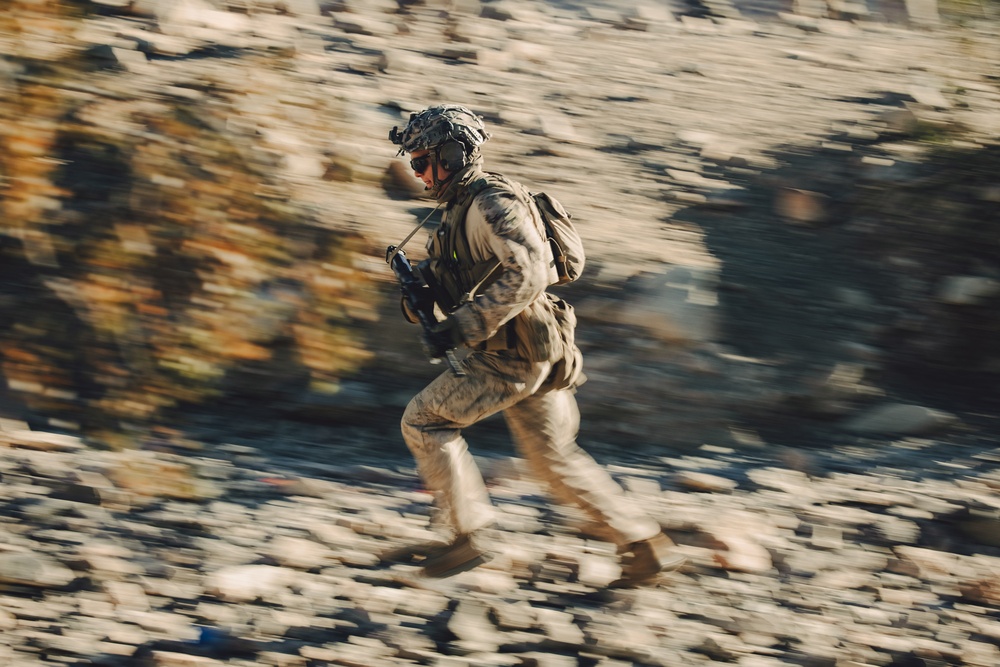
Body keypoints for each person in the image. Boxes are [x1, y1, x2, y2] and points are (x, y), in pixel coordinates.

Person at [386, 104, 684, 585]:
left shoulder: (491, 202)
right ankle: (645, 545)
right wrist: (418, 295)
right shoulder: (457, 212)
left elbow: (528, 272)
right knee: (553, 460)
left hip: (513, 353)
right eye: (413, 164)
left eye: (423, 161)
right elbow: (451, 283)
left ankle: (471, 536)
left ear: (454, 154)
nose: (418, 173)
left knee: (424, 422)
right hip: (532, 349)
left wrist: (462, 326)